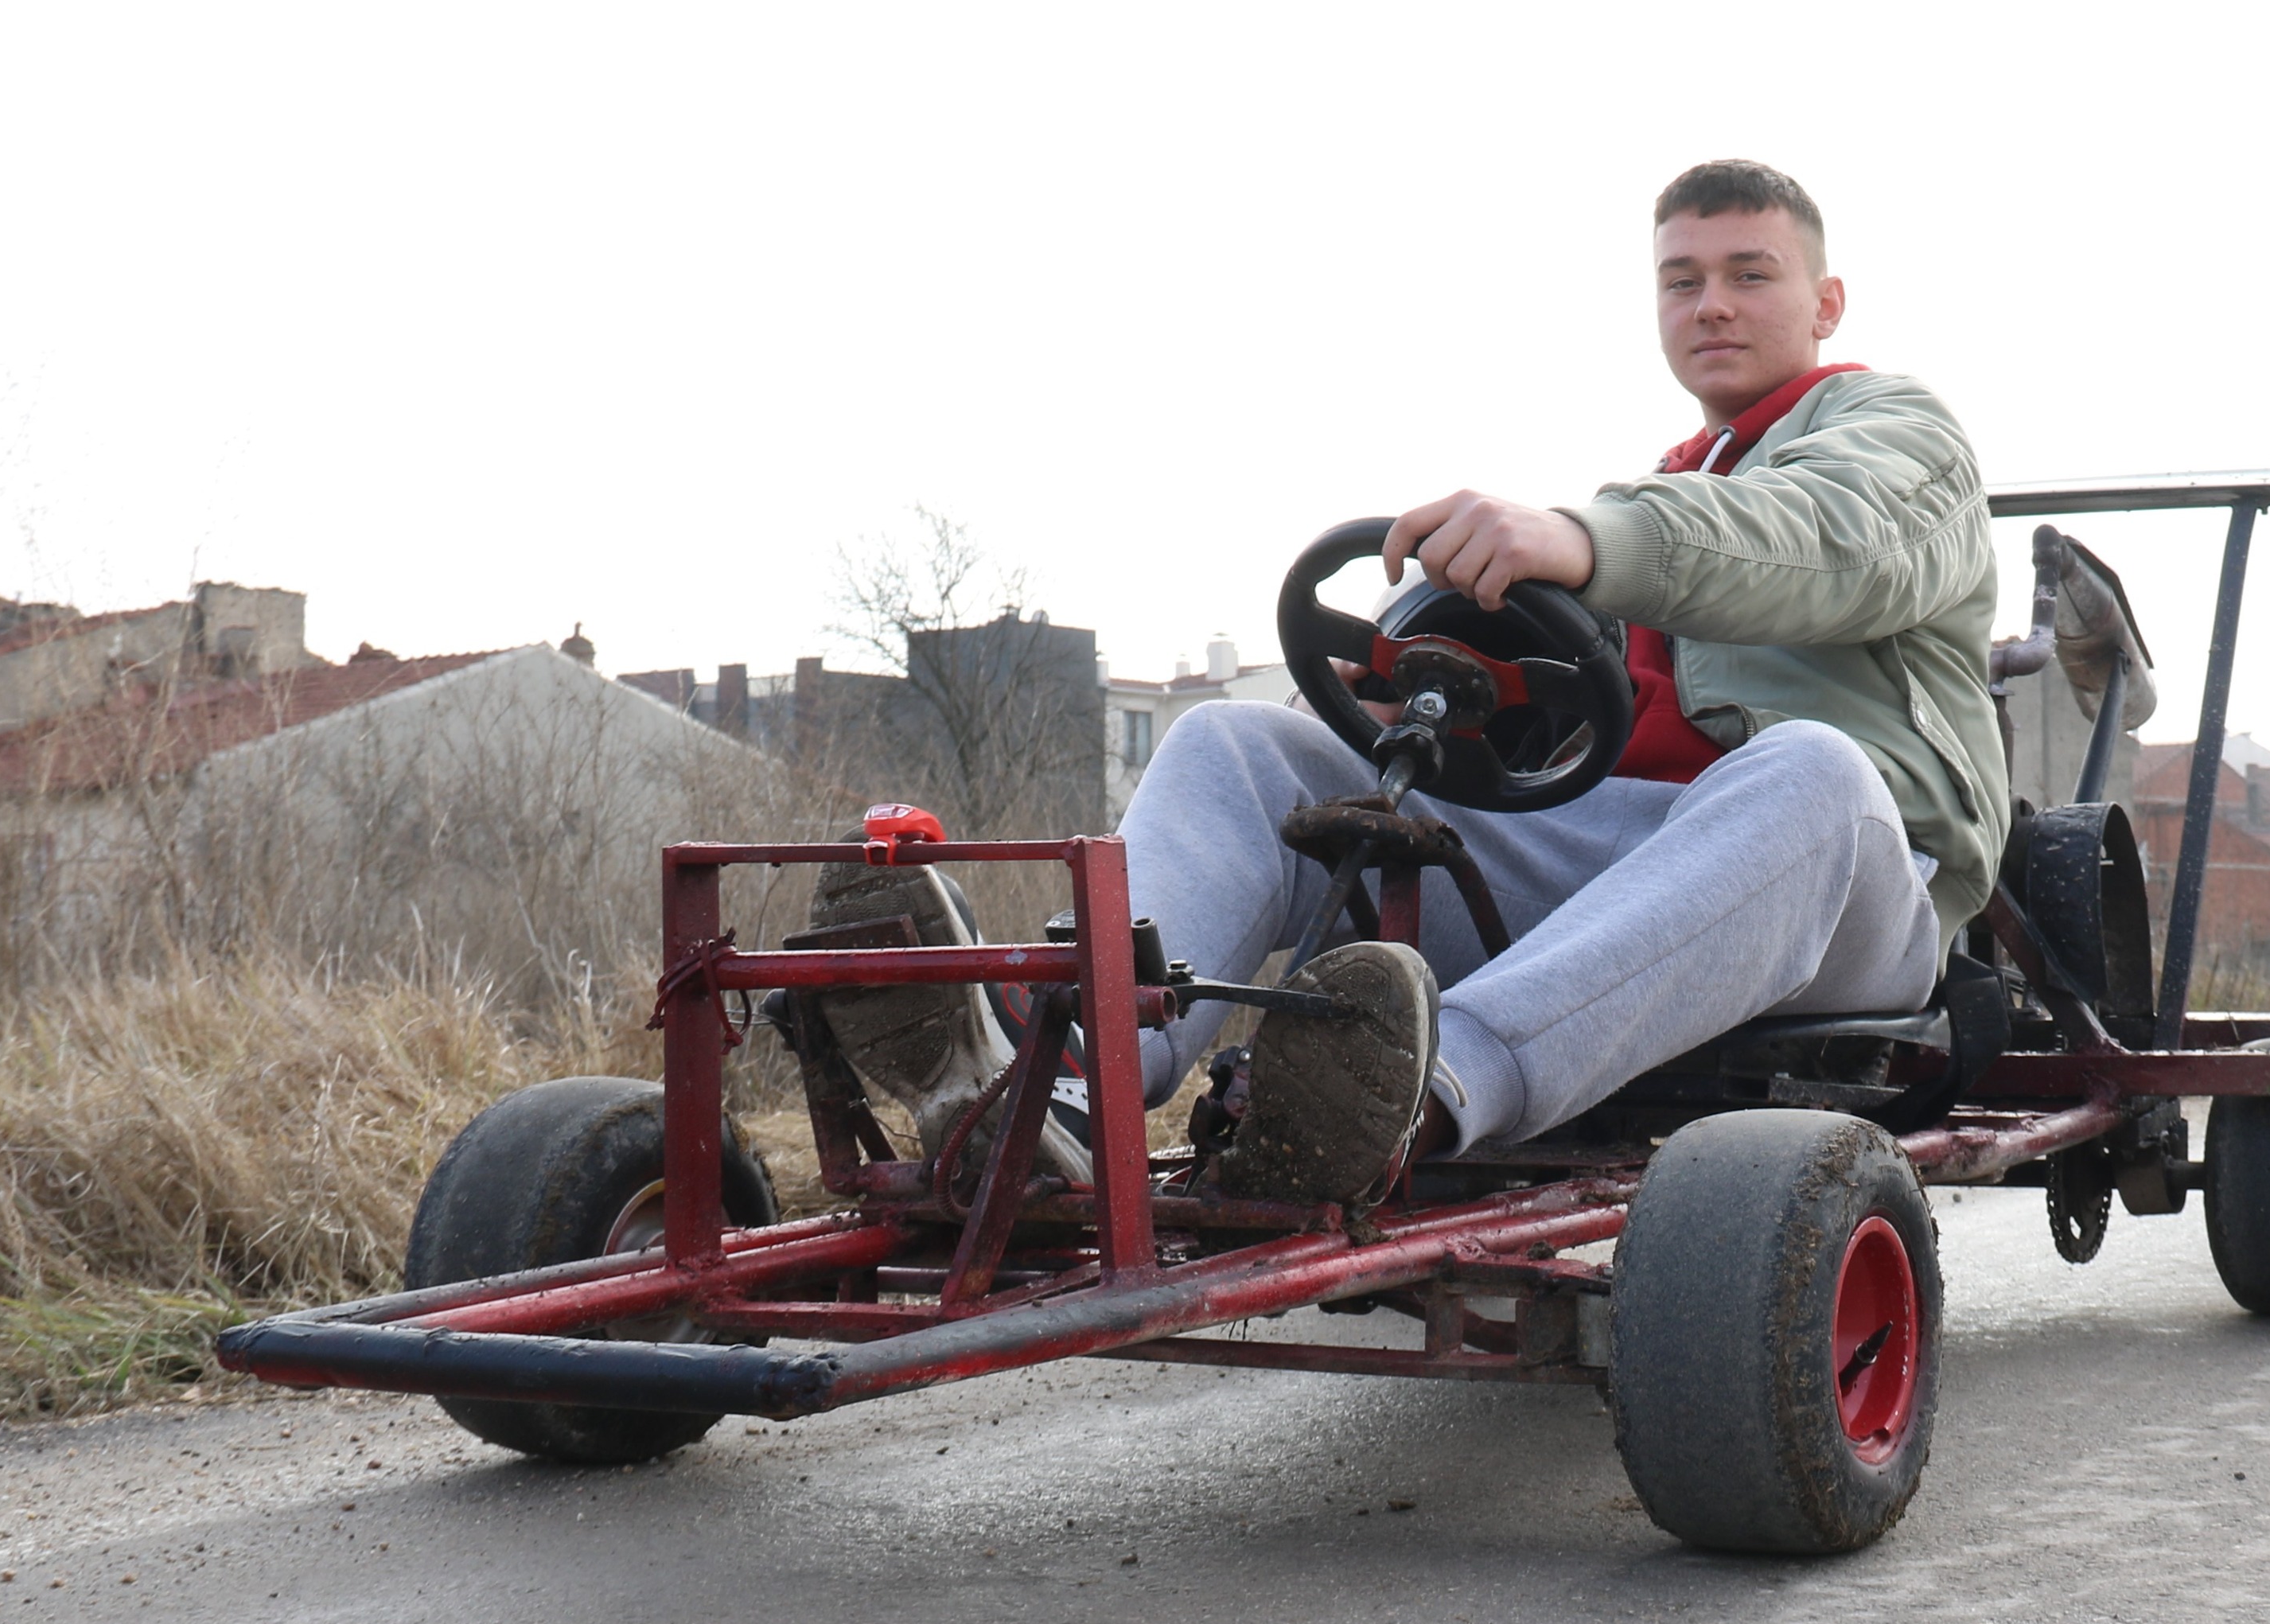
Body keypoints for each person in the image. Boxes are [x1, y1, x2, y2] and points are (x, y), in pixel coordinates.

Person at [809, 160, 2007, 1204]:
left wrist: (1582, 541)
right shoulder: (1662, 489)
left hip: (1849, 889)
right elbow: (1570, 653)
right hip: (1612, 878)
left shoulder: (1896, 439)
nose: (1712, 304)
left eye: (1751, 273)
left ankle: (1399, 1093)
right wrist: (1396, 685)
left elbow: (1818, 540)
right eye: (1682, 280)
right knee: (1243, 747)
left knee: (1804, 768)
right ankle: (1057, 1083)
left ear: (1826, 301)